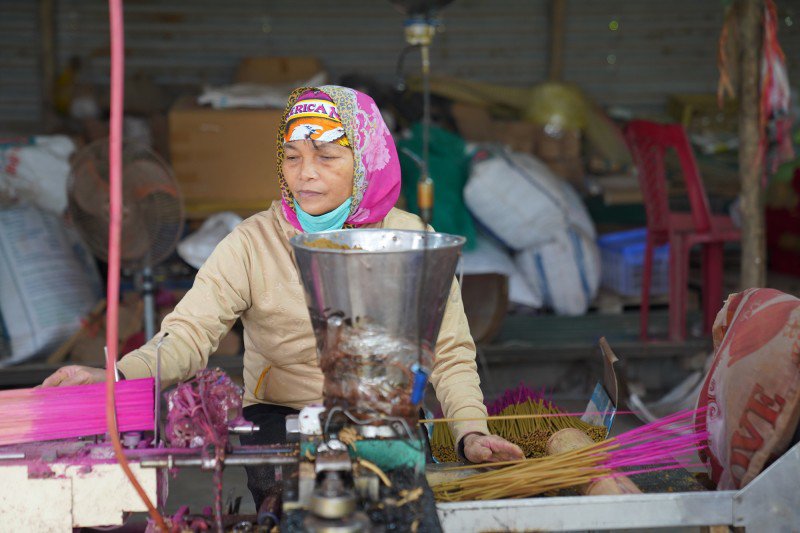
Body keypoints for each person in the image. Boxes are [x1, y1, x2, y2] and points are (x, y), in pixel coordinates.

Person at [42, 85, 523, 507]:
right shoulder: (253, 242)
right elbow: (187, 336)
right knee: (293, 508)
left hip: (386, 418)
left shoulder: (411, 239)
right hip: (280, 420)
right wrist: (117, 376)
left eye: (326, 156)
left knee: (393, 511)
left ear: (368, 159)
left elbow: (450, 354)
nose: (304, 173)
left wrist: (469, 433)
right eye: (292, 156)